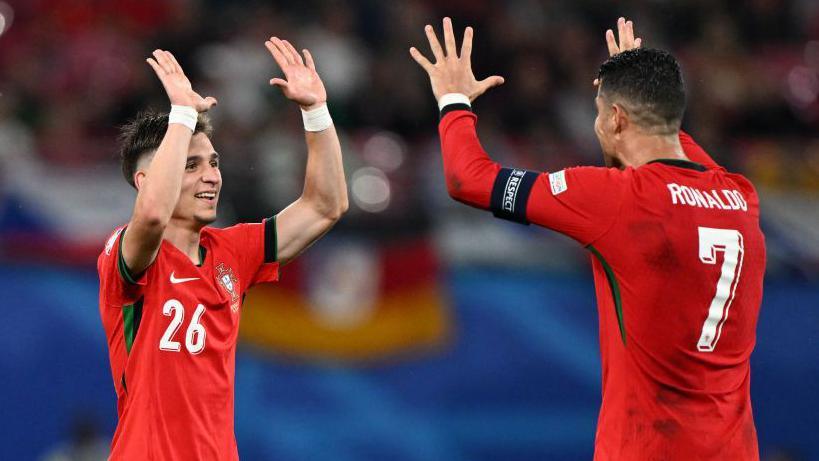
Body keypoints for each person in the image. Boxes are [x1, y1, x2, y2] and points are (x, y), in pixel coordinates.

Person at [410, 17, 764, 460]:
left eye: (599, 111)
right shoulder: (738, 196)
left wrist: (453, 100)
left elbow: (468, 179)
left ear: (616, 118)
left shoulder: (615, 198)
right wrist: (635, 81)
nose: (595, 126)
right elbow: (670, 137)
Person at [97, 37, 347, 459]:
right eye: (190, 166)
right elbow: (154, 215)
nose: (211, 176)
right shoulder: (127, 253)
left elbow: (326, 206)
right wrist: (180, 113)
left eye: (213, 163)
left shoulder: (234, 251)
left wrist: (316, 113)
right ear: (145, 181)